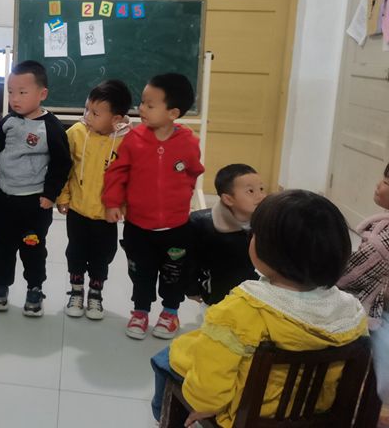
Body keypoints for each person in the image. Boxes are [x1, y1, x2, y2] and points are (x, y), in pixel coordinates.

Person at [150, 190, 368, 427]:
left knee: (166, 358)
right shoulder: (351, 312)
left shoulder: (242, 310)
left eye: (255, 234)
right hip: (313, 410)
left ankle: (165, 417)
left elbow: (213, 375)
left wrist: (204, 405)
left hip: (248, 411)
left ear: (270, 252)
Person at [102, 73, 204, 339]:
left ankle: (170, 313)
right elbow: (117, 173)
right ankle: (140, 311)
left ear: (173, 113)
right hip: (138, 226)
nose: (141, 109)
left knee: (173, 273)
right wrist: (112, 202)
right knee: (141, 272)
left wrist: (181, 197)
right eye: (142, 103)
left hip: (176, 227)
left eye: (150, 105)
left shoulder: (188, 142)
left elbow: (194, 171)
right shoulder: (134, 139)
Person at [0, 60, 71, 316]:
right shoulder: (8, 122)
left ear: (42, 94)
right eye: (11, 92)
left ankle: (35, 288)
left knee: (32, 246)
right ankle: (1, 286)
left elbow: (61, 163)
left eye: (22, 92)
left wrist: (50, 194)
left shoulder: (51, 127)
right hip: (4, 197)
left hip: (34, 201)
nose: (15, 98)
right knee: (2, 246)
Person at [56, 79, 132, 320]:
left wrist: (123, 207)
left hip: (106, 214)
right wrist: (63, 197)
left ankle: (95, 293)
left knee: (103, 255)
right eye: (87, 108)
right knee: (75, 251)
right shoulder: (76, 133)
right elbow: (63, 168)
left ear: (116, 119)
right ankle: (76, 291)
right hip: (77, 209)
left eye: (96, 113)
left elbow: (130, 178)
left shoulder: (128, 141)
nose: (87, 116)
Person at [338, 162, 389, 403]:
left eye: (386, 182)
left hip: (380, 313)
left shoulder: (383, 240)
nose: (378, 185)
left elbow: (349, 275)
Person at [185, 163, 265, 306]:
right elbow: (190, 259)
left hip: (250, 293)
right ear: (228, 199)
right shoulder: (202, 223)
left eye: (261, 189)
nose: (260, 196)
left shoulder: (264, 221)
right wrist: (191, 288)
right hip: (216, 294)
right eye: (250, 191)